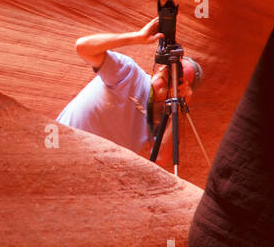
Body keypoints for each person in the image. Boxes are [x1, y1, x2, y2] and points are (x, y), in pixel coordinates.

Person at [56, 16, 203, 158]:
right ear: (162, 67)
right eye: (173, 69)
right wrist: (137, 37)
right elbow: (83, 47)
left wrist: (179, 107)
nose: (173, 75)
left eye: (180, 80)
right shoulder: (128, 73)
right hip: (62, 147)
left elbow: (159, 157)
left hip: (87, 170)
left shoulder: (161, 116)